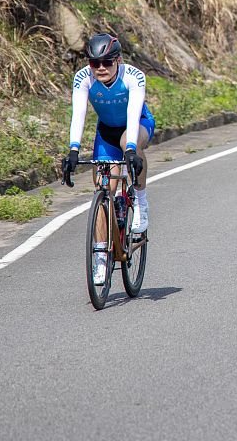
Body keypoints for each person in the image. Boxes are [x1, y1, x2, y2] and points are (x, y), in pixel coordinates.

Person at [62, 33, 156, 286]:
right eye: (95, 63)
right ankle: (101, 257)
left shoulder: (133, 76)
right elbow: (78, 114)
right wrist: (73, 150)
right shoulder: (83, 78)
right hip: (106, 132)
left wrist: (132, 151)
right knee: (103, 190)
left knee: (128, 145)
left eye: (107, 62)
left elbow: (134, 111)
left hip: (137, 125)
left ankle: (141, 200)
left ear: (118, 60)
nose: (101, 68)